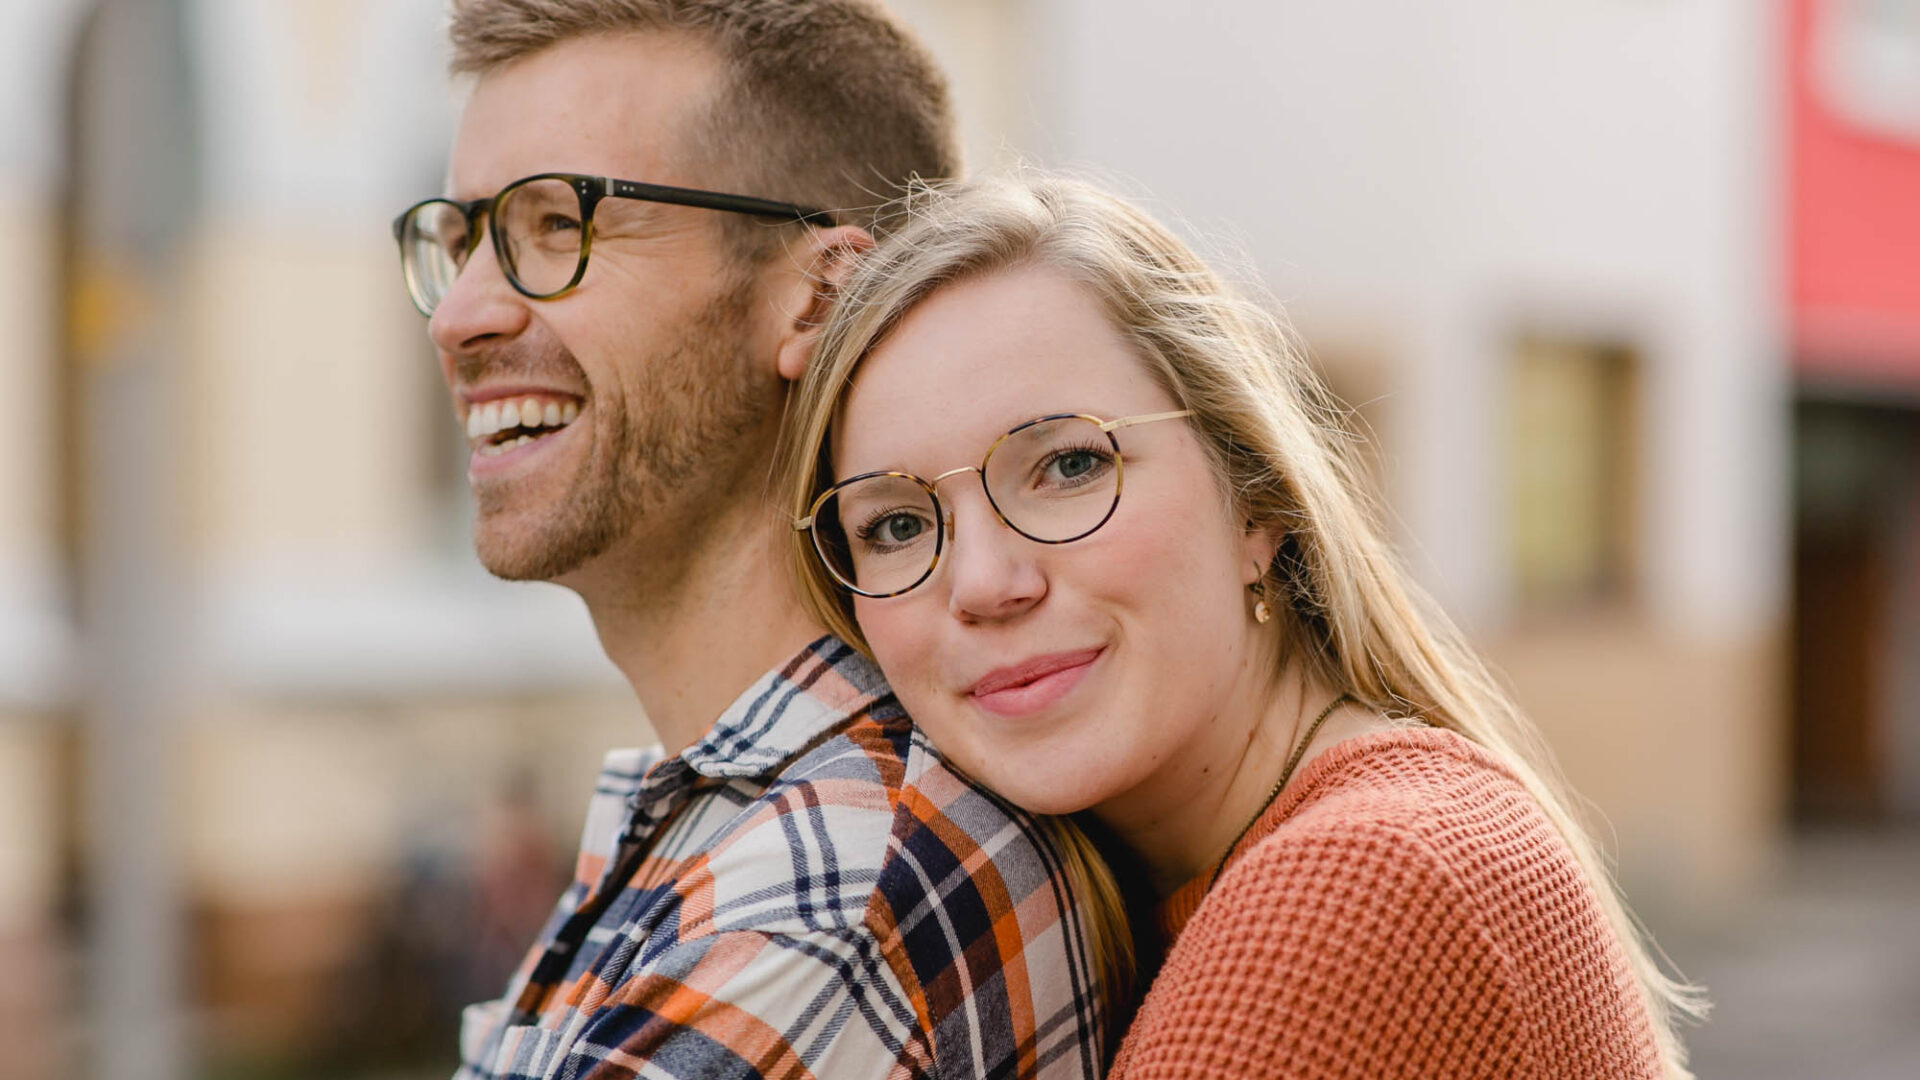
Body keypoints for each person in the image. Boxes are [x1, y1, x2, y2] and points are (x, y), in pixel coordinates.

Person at [780, 174, 1707, 1079]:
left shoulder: (1361, 883)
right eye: (895, 524)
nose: (984, 583)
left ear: (1254, 503)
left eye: (1067, 464)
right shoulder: (1171, 889)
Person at [393, 5, 1108, 1078]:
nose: (459, 318)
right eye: (463, 241)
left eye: (557, 226)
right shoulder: (719, 817)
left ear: (817, 295)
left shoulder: (821, 907)